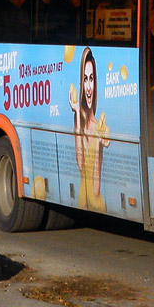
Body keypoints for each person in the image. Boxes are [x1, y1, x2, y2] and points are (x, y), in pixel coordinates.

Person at [69, 47, 109, 212]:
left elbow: (95, 189)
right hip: (83, 202)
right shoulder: (80, 122)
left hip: (96, 205)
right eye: (85, 79)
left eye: (91, 79)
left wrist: (100, 143)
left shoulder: (99, 126)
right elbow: (80, 163)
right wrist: (77, 112)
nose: (88, 87)